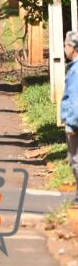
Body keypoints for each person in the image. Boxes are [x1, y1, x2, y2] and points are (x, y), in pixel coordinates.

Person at [61, 31, 78, 206]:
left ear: (74, 48)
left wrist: (72, 123)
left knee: (75, 159)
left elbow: (75, 98)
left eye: (66, 45)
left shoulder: (76, 70)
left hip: (75, 122)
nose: (64, 48)